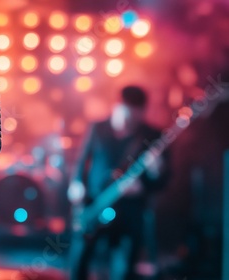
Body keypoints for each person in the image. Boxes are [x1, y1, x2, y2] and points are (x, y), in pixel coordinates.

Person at [67, 86, 170, 280]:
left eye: (135, 117)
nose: (128, 123)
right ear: (117, 107)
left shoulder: (152, 136)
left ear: (142, 113)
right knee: (79, 260)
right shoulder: (98, 128)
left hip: (129, 212)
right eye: (126, 115)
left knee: (123, 270)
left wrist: (147, 182)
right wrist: (77, 183)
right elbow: (82, 160)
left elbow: (163, 180)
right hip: (94, 205)